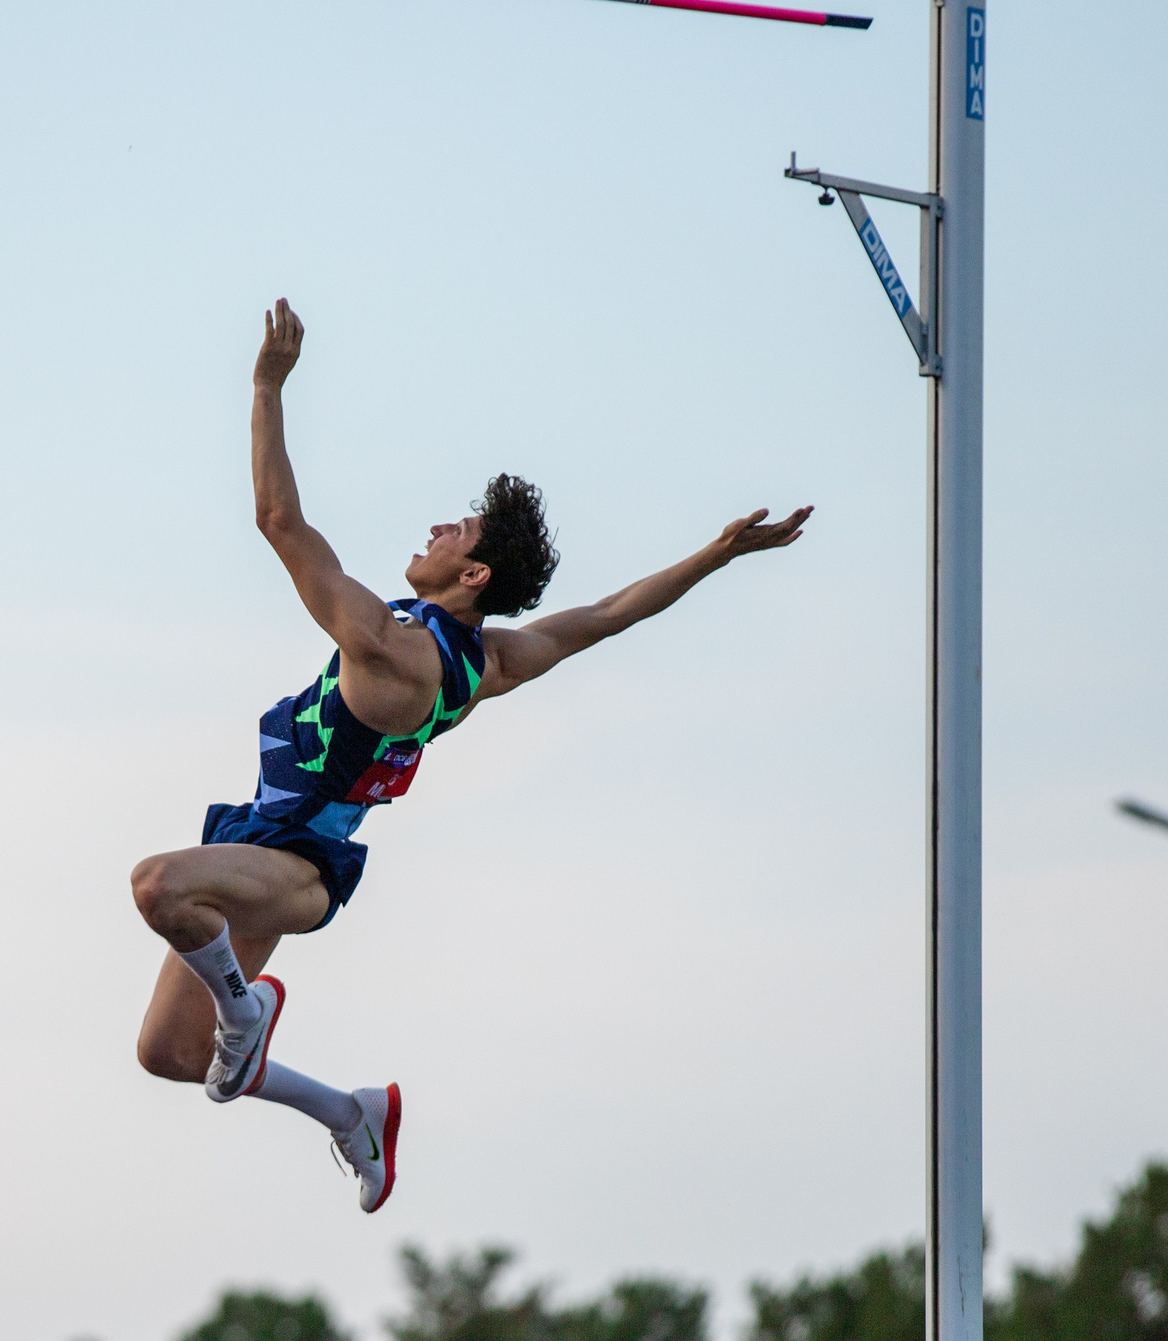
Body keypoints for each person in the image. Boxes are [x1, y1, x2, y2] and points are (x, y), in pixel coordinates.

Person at [130, 299, 812, 1213]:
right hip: (270, 839)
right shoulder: (487, 660)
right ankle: (351, 1113)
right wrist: (714, 556)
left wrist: (265, 388)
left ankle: (246, 1014)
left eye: (458, 531)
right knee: (168, 1055)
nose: (440, 527)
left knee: (160, 887)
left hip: (297, 866)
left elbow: (278, 520)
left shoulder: (391, 650)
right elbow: (603, 617)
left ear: (474, 575)